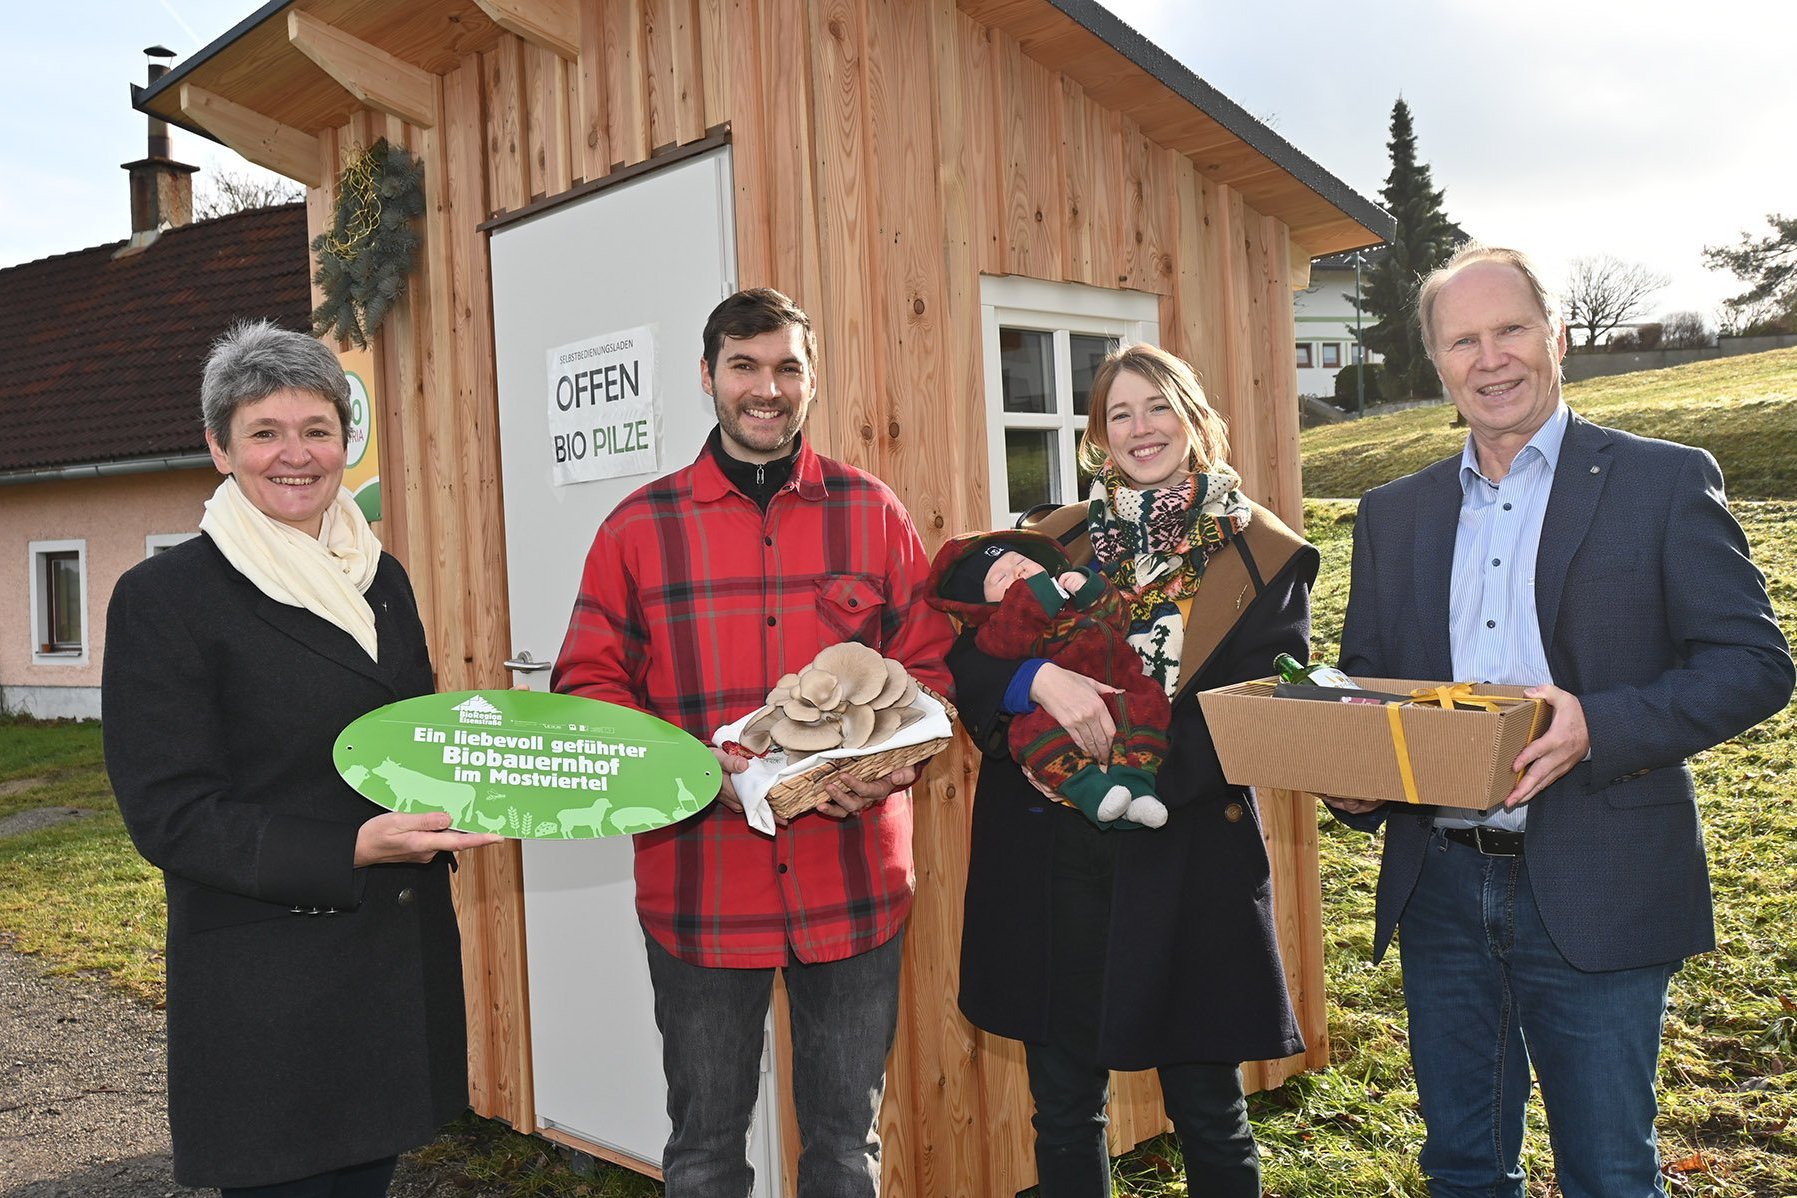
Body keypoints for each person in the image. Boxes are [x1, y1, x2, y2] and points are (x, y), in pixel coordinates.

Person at [1328, 244, 1794, 1198]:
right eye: (1464, 340)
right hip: (1441, 891)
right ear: (1437, 361)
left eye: (1511, 330)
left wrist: (1600, 725)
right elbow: (1370, 695)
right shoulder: (1393, 514)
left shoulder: (1660, 482)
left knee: (1609, 1173)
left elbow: (1753, 666)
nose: (1490, 358)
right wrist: (1354, 782)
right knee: (1461, 1169)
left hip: (1598, 878)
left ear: (1558, 338)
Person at [551, 287, 955, 1198]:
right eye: (744, 366)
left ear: (810, 381)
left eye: (786, 368)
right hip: (701, 884)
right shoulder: (637, 529)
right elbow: (588, 689)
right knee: (702, 1152)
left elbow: (930, 671)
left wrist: (878, 769)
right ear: (708, 377)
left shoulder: (871, 512)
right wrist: (704, 774)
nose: (765, 388)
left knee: (846, 1153)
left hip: (851, 879)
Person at [102, 320, 501, 1197]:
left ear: (344, 443)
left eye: (317, 430)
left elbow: (411, 741)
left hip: (388, 966)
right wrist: (350, 848)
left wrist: (500, 775)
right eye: (265, 432)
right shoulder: (165, 598)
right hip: (268, 988)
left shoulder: (379, 577)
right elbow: (170, 813)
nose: (297, 455)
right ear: (219, 448)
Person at [949, 343, 1316, 1197]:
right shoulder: (1052, 540)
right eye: (1119, 414)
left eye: (1157, 408)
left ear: (1193, 421)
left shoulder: (1261, 553)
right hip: (1051, 852)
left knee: (1207, 1109)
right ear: (1096, 436)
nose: (1140, 429)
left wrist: (1128, 768)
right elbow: (967, 664)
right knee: (1064, 1104)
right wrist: (1029, 685)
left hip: (1181, 847)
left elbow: (1254, 712)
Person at [925, 529, 1170, 828]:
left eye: (1020, 560)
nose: (1018, 570)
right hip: (1052, 737)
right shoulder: (1007, 625)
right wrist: (1032, 604)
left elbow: (1118, 620)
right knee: (1036, 735)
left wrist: (1091, 589)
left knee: (1149, 706)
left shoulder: (1071, 604)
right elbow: (993, 648)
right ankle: (1093, 792)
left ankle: (1139, 791)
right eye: (1000, 579)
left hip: (1122, 690)